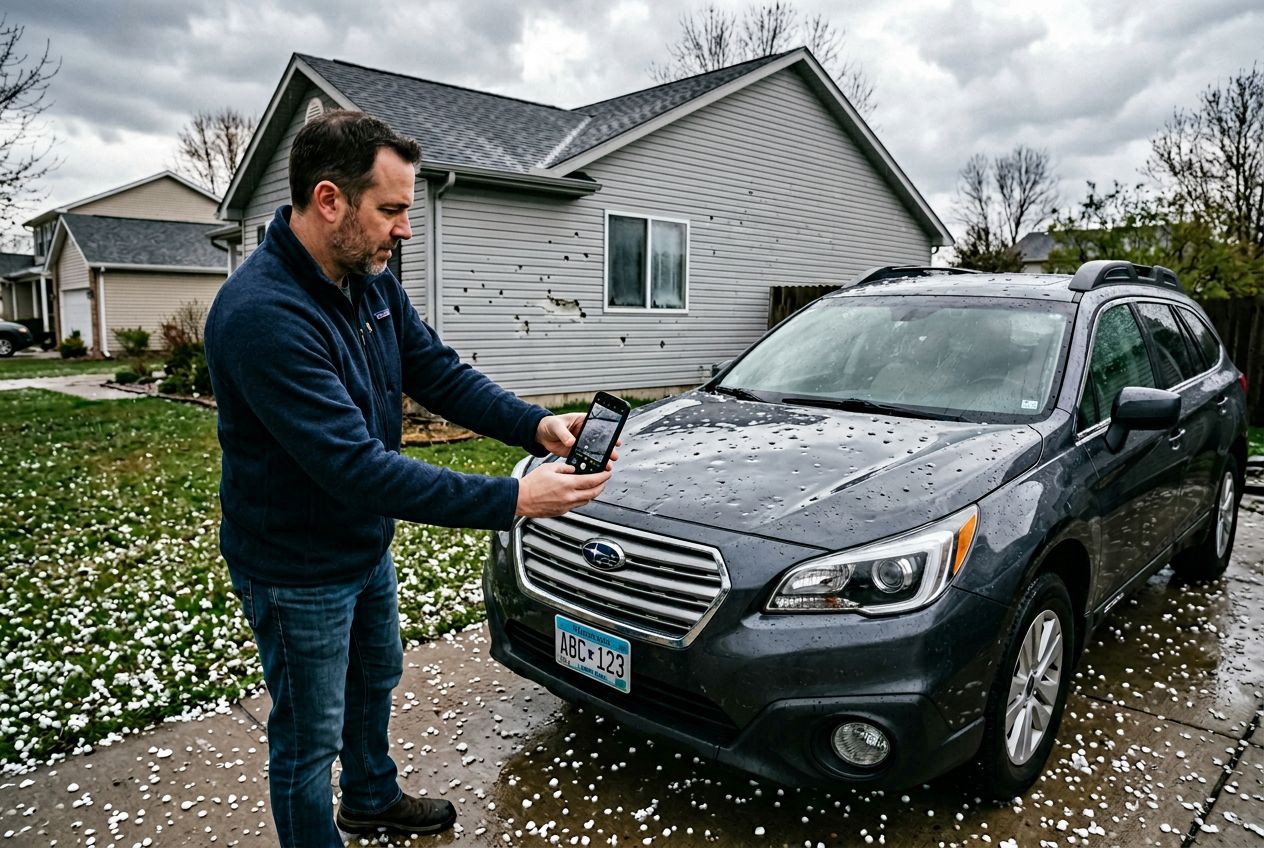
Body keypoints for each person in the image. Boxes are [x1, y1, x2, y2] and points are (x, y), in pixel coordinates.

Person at [205, 110, 613, 846]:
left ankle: (370, 798)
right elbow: (356, 468)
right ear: (330, 200)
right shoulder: (263, 317)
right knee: (307, 737)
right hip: (295, 566)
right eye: (391, 209)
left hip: (361, 545)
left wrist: (535, 426)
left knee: (375, 680)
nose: (405, 228)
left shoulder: (367, 281)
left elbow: (436, 371)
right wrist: (517, 498)